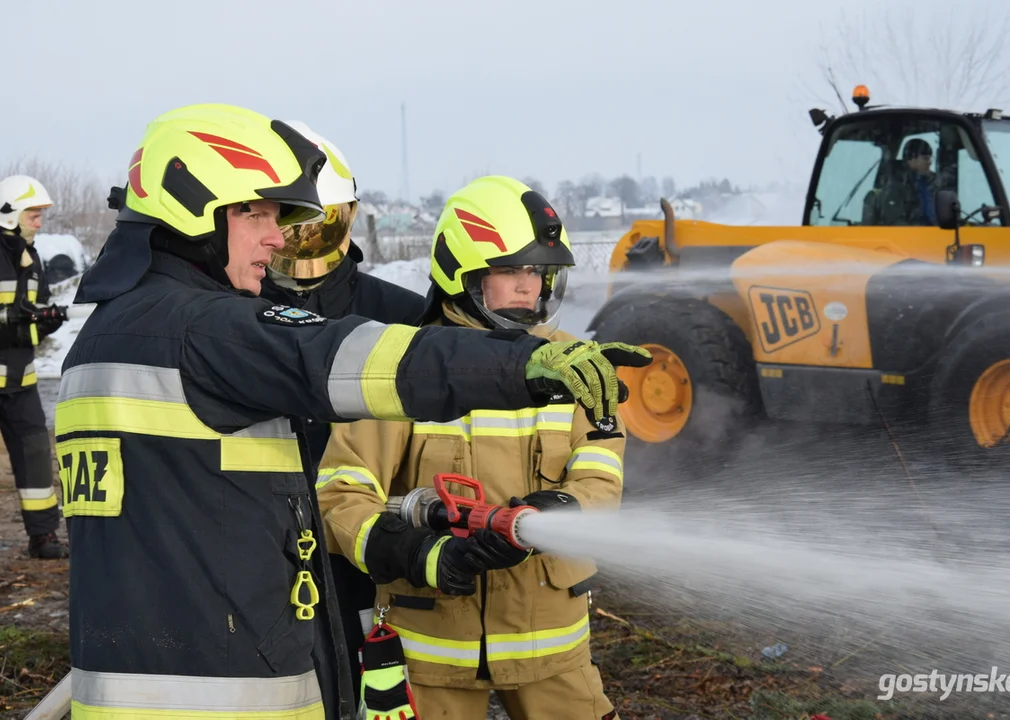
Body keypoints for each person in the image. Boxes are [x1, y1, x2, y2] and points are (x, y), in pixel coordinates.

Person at [55, 104, 651, 720]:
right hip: (224, 692)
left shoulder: (100, 341)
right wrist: (520, 366)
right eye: (256, 212)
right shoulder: (205, 328)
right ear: (191, 206)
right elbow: (335, 358)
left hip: (137, 687)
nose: (276, 236)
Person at [317, 176, 626, 720]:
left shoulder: (576, 364)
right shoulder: (404, 367)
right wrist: (422, 555)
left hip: (550, 644)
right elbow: (340, 495)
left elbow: (601, 473)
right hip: (430, 648)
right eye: (510, 270)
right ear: (462, 274)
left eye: (536, 271)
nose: (528, 287)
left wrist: (560, 510)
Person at [259, 120, 427, 710]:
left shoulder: (403, 316)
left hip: (369, 550)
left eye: (319, 225)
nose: (304, 247)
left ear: (347, 216)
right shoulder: (228, 318)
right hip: (263, 542)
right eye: (291, 227)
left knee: (376, 684)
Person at [0, 174, 68, 559]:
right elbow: (10, 318)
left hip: (20, 383)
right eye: (34, 215)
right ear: (9, 213)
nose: (39, 223)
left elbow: (30, 322)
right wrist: (9, 317)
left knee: (35, 457)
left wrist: (46, 319)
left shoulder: (32, 257)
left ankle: (43, 536)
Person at [863, 137, 939, 226]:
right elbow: (897, 224)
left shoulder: (931, 182)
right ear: (912, 159)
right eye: (925, 158)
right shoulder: (895, 186)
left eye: (930, 158)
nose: (930, 162)